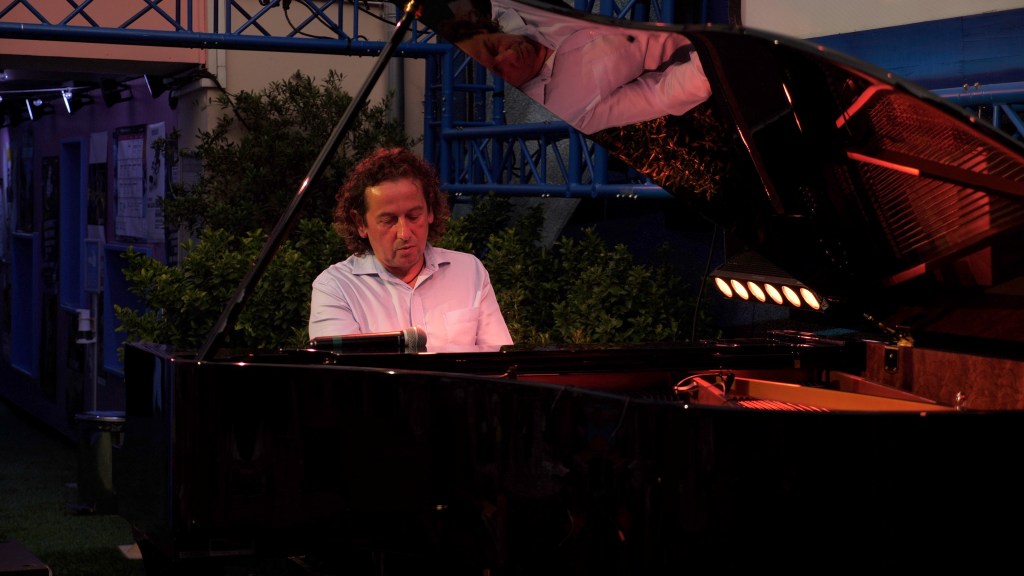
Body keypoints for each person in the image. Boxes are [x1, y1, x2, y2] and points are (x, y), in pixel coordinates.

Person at [308, 147, 513, 352]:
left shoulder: (469, 271)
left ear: (430, 211)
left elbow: (500, 359)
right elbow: (343, 370)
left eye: (414, 217)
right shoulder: (336, 288)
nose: (404, 233)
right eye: (389, 221)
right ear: (360, 223)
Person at [445, 0, 713, 134]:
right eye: (500, 71)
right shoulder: (566, 110)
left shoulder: (510, 6)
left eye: (494, 47)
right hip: (695, 44)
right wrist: (708, 66)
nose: (510, 55)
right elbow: (658, 96)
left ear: (485, 30)